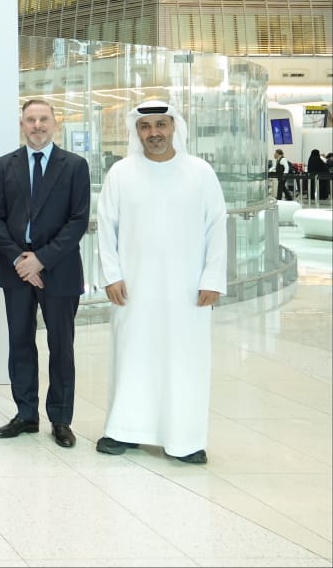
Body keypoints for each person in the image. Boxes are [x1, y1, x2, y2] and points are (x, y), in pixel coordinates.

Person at [95, 99, 226, 464]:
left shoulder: (200, 172)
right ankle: (125, 430)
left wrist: (212, 278)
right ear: (137, 131)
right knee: (132, 354)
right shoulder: (121, 173)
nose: (154, 133)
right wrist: (111, 275)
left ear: (174, 128)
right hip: (133, 289)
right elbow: (106, 227)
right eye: (145, 126)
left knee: (184, 359)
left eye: (160, 125)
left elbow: (216, 227)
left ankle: (184, 438)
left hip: (187, 291)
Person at [0, 100, 91, 449]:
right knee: (20, 343)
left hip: (59, 269)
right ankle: (26, 414)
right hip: (17, 270)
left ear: (55, 123)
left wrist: (41, 260)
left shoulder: (74, 166)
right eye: (30, 119)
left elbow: (78, 220)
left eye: (43, 119)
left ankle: (60, 419)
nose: (37, 125)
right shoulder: (4, 165)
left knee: (61, 346)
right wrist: (20, 260)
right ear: (22, 124)